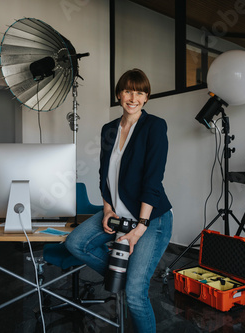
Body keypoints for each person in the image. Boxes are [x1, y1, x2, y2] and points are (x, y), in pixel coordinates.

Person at [65, 68, 173, 333]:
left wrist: (141, 227)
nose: (133, 97)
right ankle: (125, 275)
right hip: (118, 213)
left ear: (147, 97)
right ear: (118, 94)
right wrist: (107, 209)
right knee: (76, 242)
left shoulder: (154, 126)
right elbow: (105, 174)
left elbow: (153, 179)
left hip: (152, 218)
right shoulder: (109, 129)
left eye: (139, 92)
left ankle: (131, 282)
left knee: (135, 296)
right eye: (127, 91)